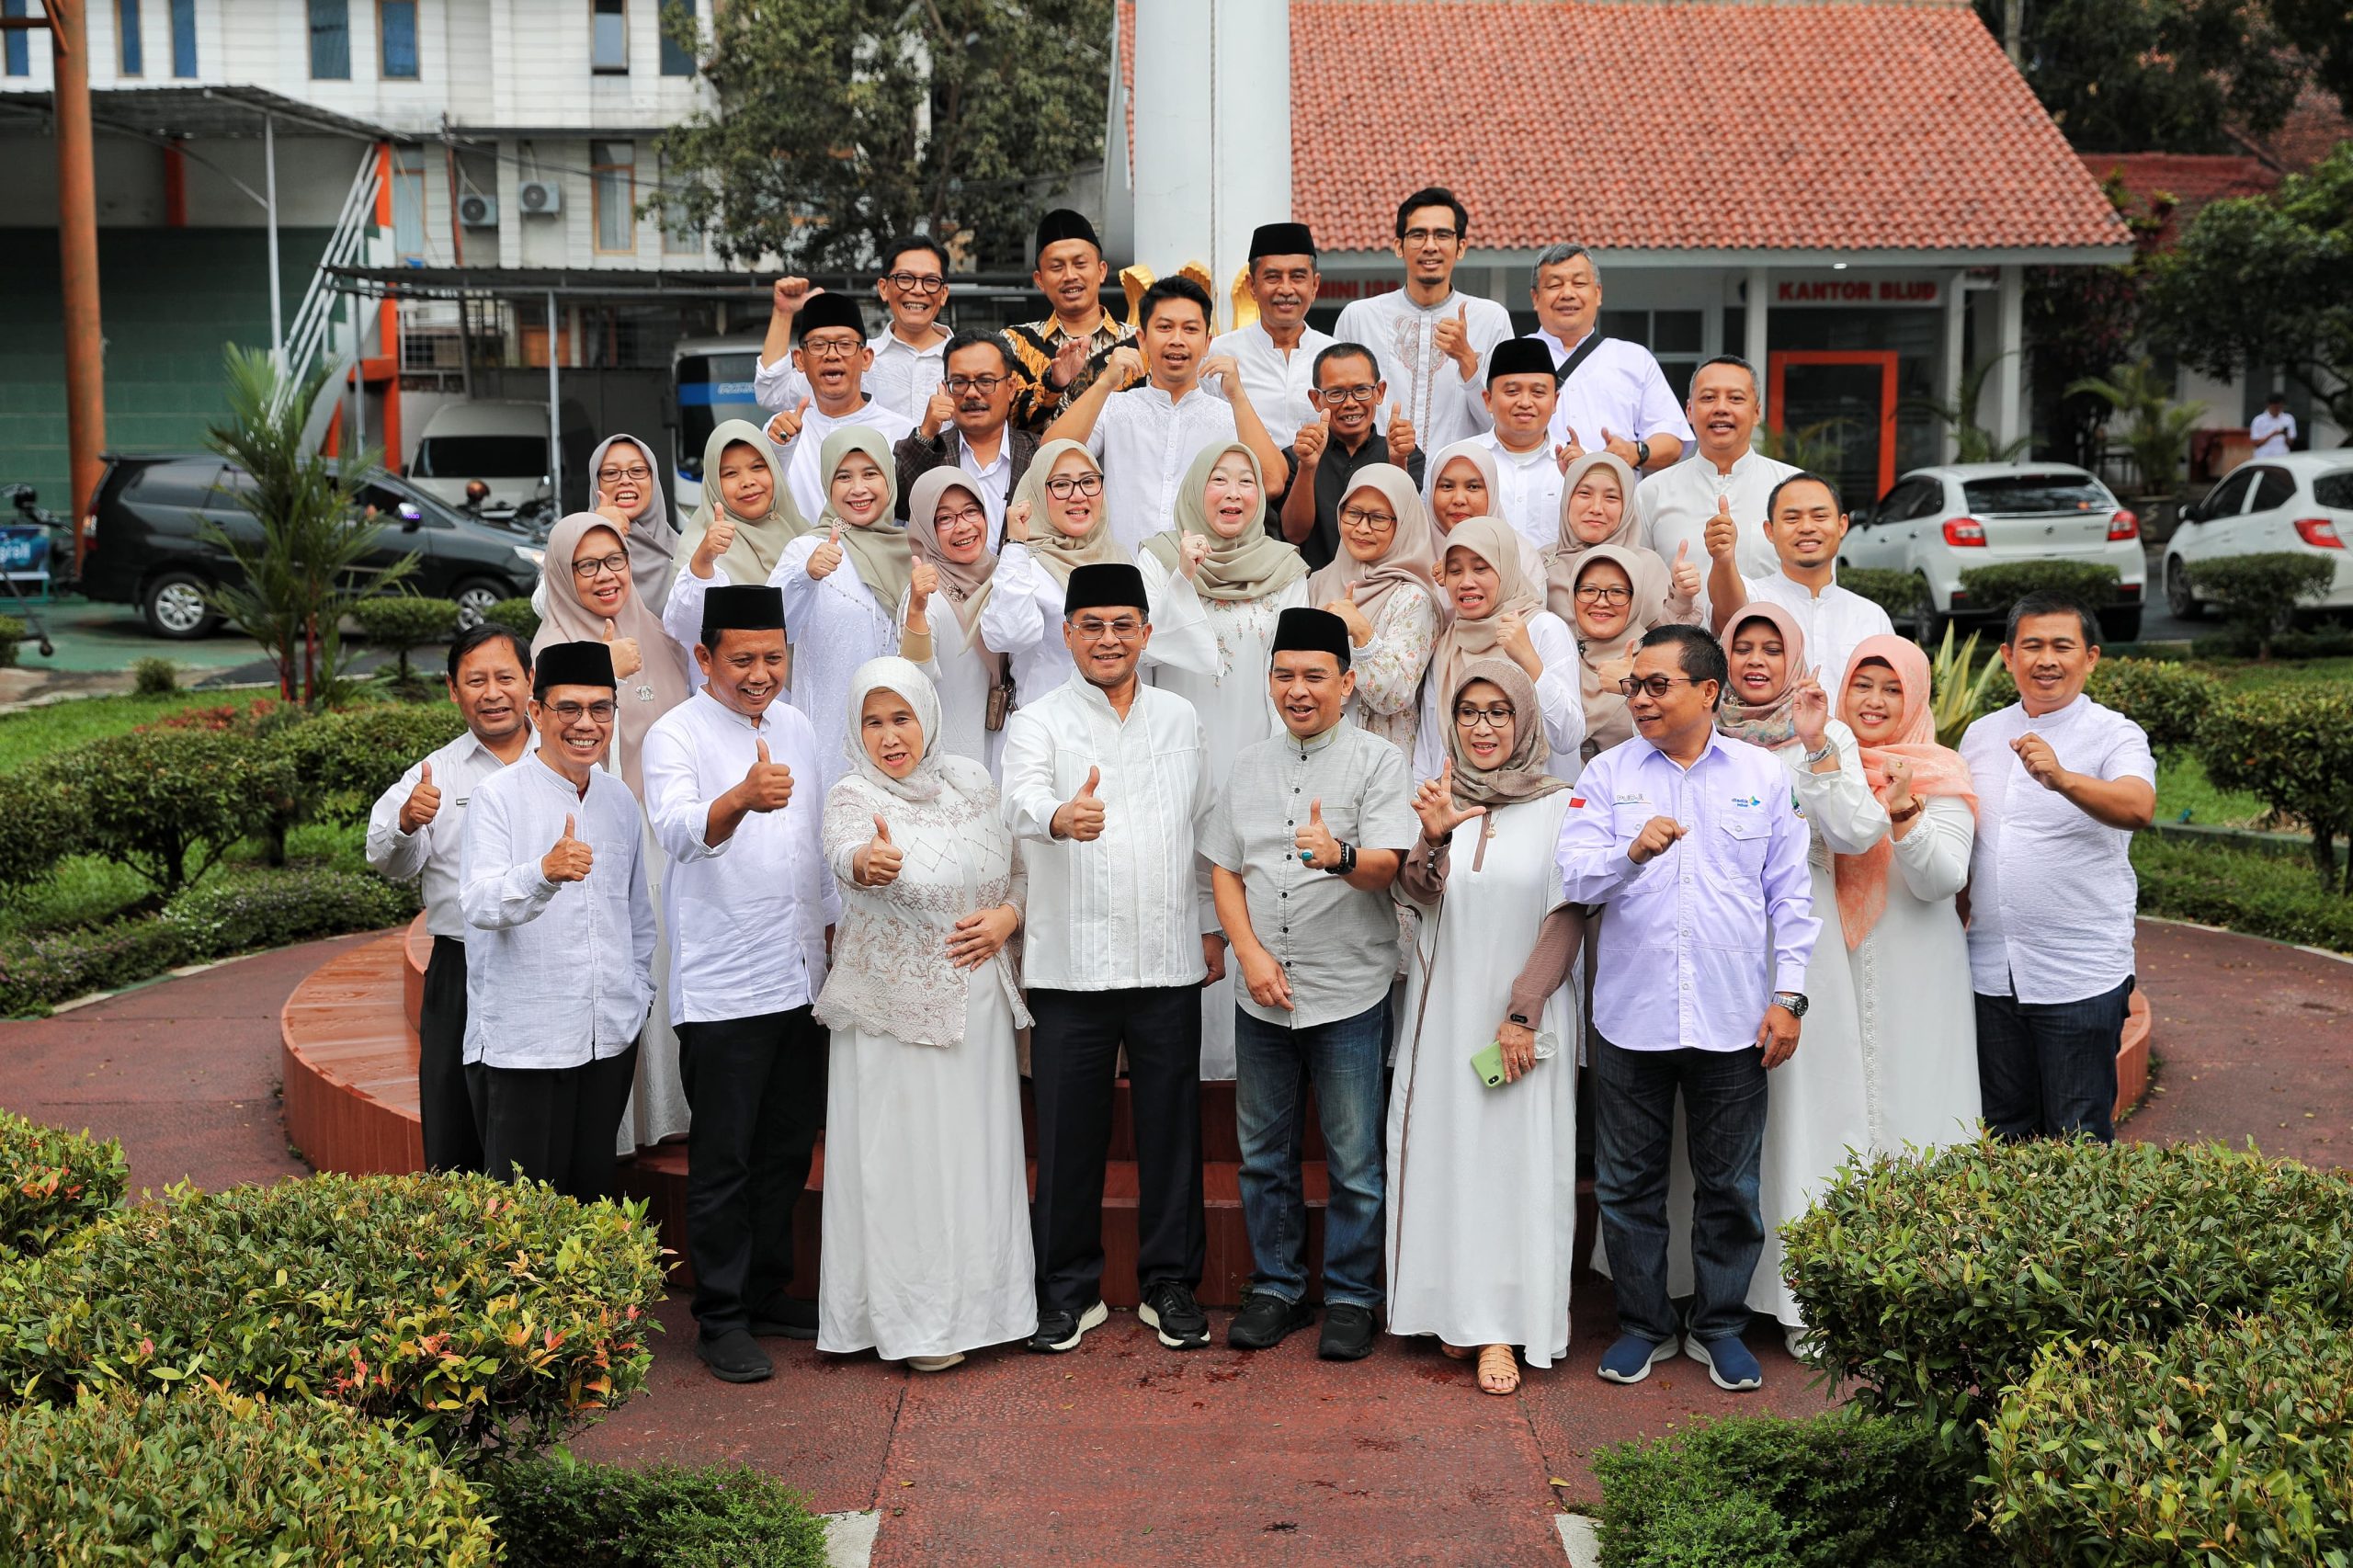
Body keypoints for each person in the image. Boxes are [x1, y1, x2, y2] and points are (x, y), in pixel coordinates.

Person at [1555, 623, 1815, 1393]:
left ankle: (1721, 1325)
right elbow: (1573, 880)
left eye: (1655, 684)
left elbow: (1791, 899)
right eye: (1633, 685)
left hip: (1735, 1018)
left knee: (1729, 1185)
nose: (1638, 698)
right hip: (1630, 1019)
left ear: (1709, 691)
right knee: (1629, 1185)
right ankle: (1642, 1324)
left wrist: (1790, 997)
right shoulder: (1607, 776)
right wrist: (1630, 852)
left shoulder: (1764, 776)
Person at [1002, 562, 1222, 1355]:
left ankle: (1171, 1286)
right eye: (1091, 625)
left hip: (1166, 958)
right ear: (1067, 634)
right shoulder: (1040, 720)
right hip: (1071, 967)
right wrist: (1059, 815)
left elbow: (1202, 830)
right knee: (1066, 1137)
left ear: (1146, 633)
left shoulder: (1178, 717)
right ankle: (1067, 1292)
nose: (1107, 639)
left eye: (1122, 624)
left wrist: (1208, 926)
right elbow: (1015, 798)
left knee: (1173, 1131)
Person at [1205, 607, 1415, 1361]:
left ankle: (1355, 1297)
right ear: (1269, 682)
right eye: (1285, 675)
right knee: (1263, 1154)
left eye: (1315, 676)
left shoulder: (1377, 763)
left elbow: (1390, 865)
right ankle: (1277, 1287)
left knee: (1355, 1160)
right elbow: (1225, 868)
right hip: (1260, 991)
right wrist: (1249, 954)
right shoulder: (1249, 766)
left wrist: (1340, 855)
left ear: (1347, 682)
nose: (1299, 690)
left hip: (1348, 989)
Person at [817, 657, 1036, 1373]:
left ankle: (988, 1310)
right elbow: (847, 854)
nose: (889, 737)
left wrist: (1008, 916)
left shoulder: (972, 781)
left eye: (901, 717)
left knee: (976, 1158)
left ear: (929, 717)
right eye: (872, 722)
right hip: (894, 1015)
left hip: (979, 1007)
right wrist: (867, 863)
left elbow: (1022, 870)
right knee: (904, 1168)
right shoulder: (851, 794)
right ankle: (914, 1325)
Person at [641, 585, 836, 1384]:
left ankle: (765, 1290)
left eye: (774, 658)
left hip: (799, 976)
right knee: (723, 1158)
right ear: (704, 657)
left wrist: (830, 927)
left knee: (787, 1149)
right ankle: (718, 1316)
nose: (761, 675)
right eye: (744, 660)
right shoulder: (673, 734)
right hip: (723, 985)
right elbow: (681, 832)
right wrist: (740, 800)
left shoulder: (797, 726)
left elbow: (818, 844)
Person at [1389, 660, 1584, 1394]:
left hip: (1518, 1022)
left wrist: (1522, 1013)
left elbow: (1570, 913)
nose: (1483, 727)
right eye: (1468, 712)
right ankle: (1453, 1310)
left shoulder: (1565, 804)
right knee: (1450, 1157)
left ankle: (1503, 1326)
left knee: (1513, 1164)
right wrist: (1433, 838)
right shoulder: (1442, 799)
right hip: (1445, 1018)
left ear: (1525, 720)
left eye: (1500, 712)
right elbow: (1418, 894)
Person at [1714, 603, 1878, 1354]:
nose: (1754, 661)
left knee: (1806, 1114)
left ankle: (1805, 1294)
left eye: (1769, 649)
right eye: (1741, 647)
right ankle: (1720, 1293)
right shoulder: (1702, 729)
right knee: (1726, 1111)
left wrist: (1816, 746)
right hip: (1721, 941)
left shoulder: (1824, 731)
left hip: (1801, 939)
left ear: (1794, 660)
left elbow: (1855, 833)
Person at [459, 639, 654, 1201]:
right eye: (568, 709)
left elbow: (637, 916)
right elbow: (478, 903)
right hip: (528, 1043)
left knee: (594, 1201)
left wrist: (636, 993)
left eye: (600, 709)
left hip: (607, 1038)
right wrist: (543, 873)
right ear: (537, 712)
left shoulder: (619, 800)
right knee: (524, 1222)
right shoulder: (498, 796)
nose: (585, 724)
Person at [1138, 441, 1309, 1080]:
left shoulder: (1288, 568)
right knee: (1186, 889)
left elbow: (1290, 670)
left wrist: (1281, 767)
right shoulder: (1157, 557)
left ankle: (1253, 1068)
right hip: (1179, 754)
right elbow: (1153, 652)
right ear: (1194, 490)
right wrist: (1184, 576)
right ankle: (1187, 1071)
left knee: (1255, 883)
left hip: (1257, 754)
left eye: (1246, 481)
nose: (1233, 493)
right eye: (1218, 479)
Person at [1959, 594, 2154, 1143]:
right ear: (2007, 656)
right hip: (1991, 974)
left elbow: (2138, 806)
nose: (2047, 659)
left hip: (2079, 976)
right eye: (2033, 646)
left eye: (2062, 646)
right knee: (2003, 1136)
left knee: (2079, 1140)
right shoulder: (1981, 735)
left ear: (2090, 658)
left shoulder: (2114, 734)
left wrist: (2063, 778)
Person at [534, 511, 695, 1153]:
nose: (606, 576)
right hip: (601, 833)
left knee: (662, 963)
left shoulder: (649, 627)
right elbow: (570, 747)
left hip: (665, 826)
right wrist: (607, 670)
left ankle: (670, 1112)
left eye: (615, 561)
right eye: (588, 565)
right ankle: (624, 1127)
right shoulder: (552, 646)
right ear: (563, 575)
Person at [365, 624, 535, 1174]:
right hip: (460, 967)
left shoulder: (571, 761)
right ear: (452, 690)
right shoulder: (434, 772)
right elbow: (387, 860)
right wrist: (409, 823)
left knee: (538, 1129)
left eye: (505, 677)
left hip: (548, 965)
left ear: (531, 682)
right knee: (455, 1128)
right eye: (476, 680)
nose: (493, 693)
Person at [1831, 634, 1982, 1151]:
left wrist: (1903, 809)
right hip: (1836, 963)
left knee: (1920, 1100)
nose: (1874, 701)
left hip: (1919, 963)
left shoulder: (1939, 772)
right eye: (1862, 685)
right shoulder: (1824, 766)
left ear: (1915, 697)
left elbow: (1941, 880)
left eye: (1893, 689)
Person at [1043, 276, 1288, 555]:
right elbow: (1049, 458)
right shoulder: (1114, 407)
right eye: (1165, 327)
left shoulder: (1229, 415)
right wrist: (1103, 384)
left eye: (1190, 329)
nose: (1177, 340)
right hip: (1124, 576)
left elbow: (1272, 483)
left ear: (1208, 342)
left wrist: (1238, 397)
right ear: (1142, 339)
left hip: (1203, 581)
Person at [977, 439, 1214, 705]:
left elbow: (1151, 646)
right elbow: (1007, 635)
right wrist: (1016, 546)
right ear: (1037, 494)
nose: (1078, 495)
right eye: (1061, 484)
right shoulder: (1026, 565)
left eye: (1089, 482)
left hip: (1119, 728)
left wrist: (1182, 575)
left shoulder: (1121, 560)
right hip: (1052, 729)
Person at [769, 428, 913, 800]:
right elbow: (772, 626)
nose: (858, 488)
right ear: (827, 485)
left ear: (889, 478)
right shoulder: (807, 548)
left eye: (870, 474)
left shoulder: (910, 548)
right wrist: (807, 576)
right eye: (843, 476)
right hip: (831, 739)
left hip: (901, 738)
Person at [1333, 187, 1514, 452]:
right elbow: (1336, 406)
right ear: (1399, 246)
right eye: (1418, 235)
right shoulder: (1360, 317)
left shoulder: (1491, 318)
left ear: (1460, 247)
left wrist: (1466, 360)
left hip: (1460, 482)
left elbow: (1503, 422)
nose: (1430, 246)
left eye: (1442, 235)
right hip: (1377, 481)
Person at [1415, 516, 1585, 781]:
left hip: (1538, 807)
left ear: (1506, 569)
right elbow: (1430, 751)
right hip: (1466, 810)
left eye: (1481, 568)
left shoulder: (1542, 628)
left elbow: (1568, 737)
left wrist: (1529, 660)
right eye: (1455, 570)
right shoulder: (1450, 644)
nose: (1466, 582)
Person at [1635, 357, 1796, 619]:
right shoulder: (1651, 492)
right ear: (1688, 410)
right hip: (1681, 653)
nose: (1721, 408)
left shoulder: (1792, 488)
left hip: (1771, 652)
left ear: (1757, 413)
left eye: (1735, 398)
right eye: (1708, 398)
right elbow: (1638, 587)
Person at [1707, 472, 1893, 691]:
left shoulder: (1872, 616)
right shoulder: (1755, 597)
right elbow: (1728, 608)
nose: (1806, 527)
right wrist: (1723, 561)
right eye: (1792, 518)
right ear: (1770, 531)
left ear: (1842, 525)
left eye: (1820, 516)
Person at [1304, 463, 1439, 756]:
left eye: (1378, 518)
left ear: (1403, 523)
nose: (1362, 528)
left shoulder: (1413, 597)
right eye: (1353, 513)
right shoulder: (1318, 583)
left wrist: (1362, 633)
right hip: (1316, 752)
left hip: (1377, 759)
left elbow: (1395, 697)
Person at [1521, 244, 1689, 473]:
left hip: (1612, 504)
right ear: (1535, 297)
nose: (1568, 293)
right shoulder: (1513, 355)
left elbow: (1672, 441)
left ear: (1598, 293)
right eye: (1554, 285)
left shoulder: (1635, 359)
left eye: (1579, 283)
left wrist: (1635, 452)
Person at [753, 239, 953, 422]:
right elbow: (772, 393)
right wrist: (783, 313)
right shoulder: (854, 358)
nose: (918, 290)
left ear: (943, 293)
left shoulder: (967, 363)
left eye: (931, 281)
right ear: (883, 288)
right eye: (905, 278)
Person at [762, 291, 918, 522]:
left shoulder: (903, 433)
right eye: (818, 345)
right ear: (799, 360)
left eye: (845, 345)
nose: (832, 355)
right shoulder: (781, 431)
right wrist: (778, 448)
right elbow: (765, 505)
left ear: (866, 358)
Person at [900, 468, 1009, 774]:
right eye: (945, 519)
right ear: (926, 529)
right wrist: (916, 614)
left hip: (1004, 753)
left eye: (971, 512)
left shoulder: (1006, 577)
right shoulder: (925, 595)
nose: (963, 527)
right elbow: (914, 681)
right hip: (950, 765)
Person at [1279, 343, 1424, 571]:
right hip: (1313, 592)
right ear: (1316, 399)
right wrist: (1307, 468)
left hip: (1384, 589)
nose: (1350, 403)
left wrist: (1397, 461)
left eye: (1361, 390)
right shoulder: (1296, 457)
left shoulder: (1405, 453)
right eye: (1336, 393)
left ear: (1380, 392)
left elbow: (1408, 532)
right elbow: (1294, 534)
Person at [893, 332, 1037, 544]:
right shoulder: (928, 451)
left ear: (1011, 388)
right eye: (959, 382)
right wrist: (927, 432)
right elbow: (900, 507)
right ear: (945, 388)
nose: (971, 393)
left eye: (985, 381)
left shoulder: (1037, 453)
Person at [1007, 209, 1135, 435]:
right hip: (1040, 469)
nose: (1069, 276)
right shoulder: (1015, 343)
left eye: (1080, 264)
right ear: (1040, 280)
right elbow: (1007, 419)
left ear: (1102, 270)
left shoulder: (1138, 344)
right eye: (1057, 267)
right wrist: (1053, 384)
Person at [1208, 222, 1337, 443]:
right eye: (1273, 277)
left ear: (1315, 285)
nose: (1286, 289)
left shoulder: (1335, 354)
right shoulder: (1220, 354)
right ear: (1251, 286)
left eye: (1297, 277)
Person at [1544, 452, 1703, 632]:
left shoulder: (1647, 565)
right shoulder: (1542, 564)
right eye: (1584, 493)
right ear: (1566, 499)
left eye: (1611, 497)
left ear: (1627, 506)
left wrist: (1682, 597)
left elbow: (1667, 639)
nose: (1596, 508)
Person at [1556, 545, 1666, 762]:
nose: (1601, 601)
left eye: (1617, 592)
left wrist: (1633, 687)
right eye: (1588, 590)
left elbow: (1677, 737)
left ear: (1636, 599)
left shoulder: (1657, 660)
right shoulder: (1558, 655)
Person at [675, 420, 809, 591]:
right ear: (713, 483)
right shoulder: (700, 552)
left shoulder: (800, 529)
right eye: (731, 473)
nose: (747, 482)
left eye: (758, 467)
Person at [1469, 338, 1571, 556]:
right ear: (1487, 400)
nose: (1525, 402)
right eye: (1512, 391)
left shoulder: (1579, 466)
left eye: (1538, 393)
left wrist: (1582, 478)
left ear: (1555, 401)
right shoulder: (1460, 460)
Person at [577, 434, 681, 614]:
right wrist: (596, 531)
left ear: (653, 479)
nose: (625, 480)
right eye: (611, 473)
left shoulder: (682, 548)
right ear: (596, 484)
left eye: (638, 470)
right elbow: (544, 601)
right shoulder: (574, 542)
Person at [1421, 440, 1544, 582]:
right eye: (1447, 486)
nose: (1459, 499)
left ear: (1492, 492)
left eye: (1473, 487)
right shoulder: (1410, 551)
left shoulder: (1522, 557)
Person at [2251, 391, 2297, 458]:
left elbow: (2290, 443)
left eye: (2280, 407)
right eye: (2275, 407)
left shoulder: (2288, 419)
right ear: (2269, 405)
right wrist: (2272, 434)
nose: (2277, 409)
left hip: (2282, 456)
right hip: (2263, 457)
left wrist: (2285, 434)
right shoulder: (2259, 420)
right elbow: (2256, 443)